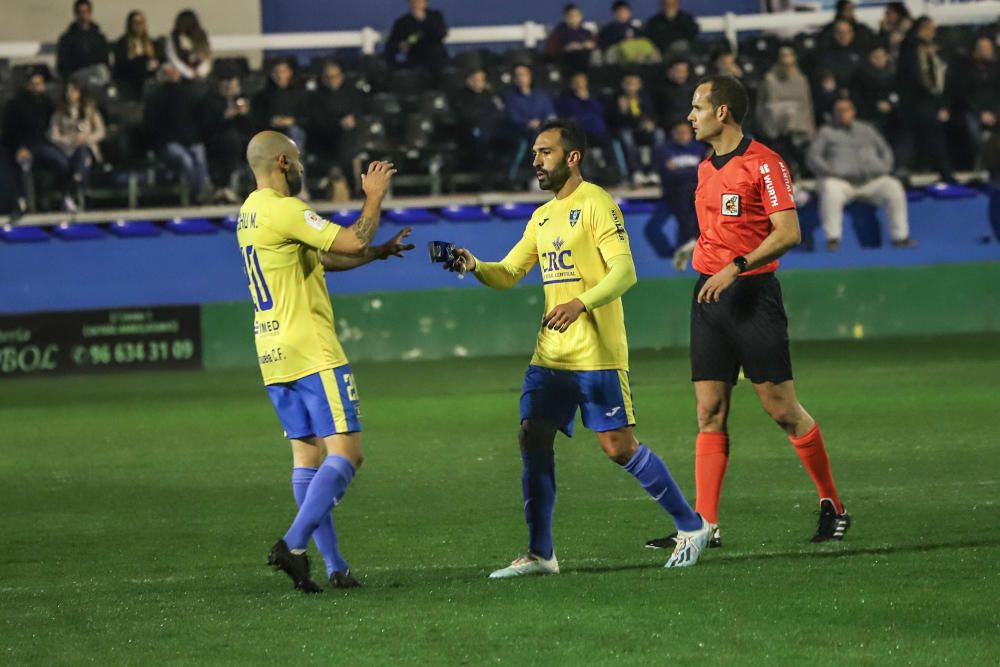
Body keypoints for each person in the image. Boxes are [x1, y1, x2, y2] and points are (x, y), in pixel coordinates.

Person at [448, 119, 714, 577]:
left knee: (618, 447)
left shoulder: (597, 203)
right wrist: (475, 265)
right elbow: (509, 273)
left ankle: (691, 527)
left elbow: (625, 272)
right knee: (532, 434)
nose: (535, 161)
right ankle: (540, 553)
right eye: (534, 153)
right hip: (551, 355)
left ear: (572, 157)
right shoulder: (543, 216)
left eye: (545, 152)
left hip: (597, 354)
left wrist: (580, 302)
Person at [645, 75, 851, 552]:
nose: (689, 115)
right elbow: (719, 232)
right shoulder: (703, 170)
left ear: (723, 113)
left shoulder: (766, 164)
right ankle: (704, 527)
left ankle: (833, 506)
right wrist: (699, 255)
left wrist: (735, 268)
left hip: (753, 297)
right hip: (709, 297)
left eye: (697, 107)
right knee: (708, 411)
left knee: (782, 410)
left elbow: (788, 232)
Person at [239, 132, 411, 593]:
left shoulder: (250, 212)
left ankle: (335, 567)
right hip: (311, 348)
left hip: (272, 352)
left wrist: (377, 252)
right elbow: (353, 239)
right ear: (282, 162)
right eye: (296, 161)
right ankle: (293, 545)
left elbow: (324, 259)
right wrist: (373, 198)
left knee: (308, 456)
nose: (300, 168)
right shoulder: (286, 208)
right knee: (348, 453)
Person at [807, 98, 914, 250]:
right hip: (842, 182)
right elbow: (813, 157)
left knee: (893, 187)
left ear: (853, 112)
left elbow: (885, 150)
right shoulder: (826, 132)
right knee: (830, 189)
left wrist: (884, 167)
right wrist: (830, 171)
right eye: (840, 111)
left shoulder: (867, 129)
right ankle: (833, 239)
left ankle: (900, 237)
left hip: (871, 181)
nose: (844, 114)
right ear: (834, 114)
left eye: (847, 110)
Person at [1, 70, 75, 212]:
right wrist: (19, 147)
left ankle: (66, 196)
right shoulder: (14, 105)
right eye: (33, 84)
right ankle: (21, 200)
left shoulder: (47, 103)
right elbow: (10, 132)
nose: (36, 87)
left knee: (63, 163)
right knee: (23, 166)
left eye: (39, 84)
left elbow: (54, 127)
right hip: (23, 148)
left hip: (43, 146)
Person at [897, 16, 953, 182]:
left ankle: (942, 170)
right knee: (911, 138)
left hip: (927, 102)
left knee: (930, 137)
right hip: (915, 101)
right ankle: (904, 170)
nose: (933, 33)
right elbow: (914, 76)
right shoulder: (911, 48)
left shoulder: (931, 49)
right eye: (931, 29)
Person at [143, 64, 210, 202]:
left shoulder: (187, 95)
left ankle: (204, 190)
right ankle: (195, 195)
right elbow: (152, 127)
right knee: (185, 160)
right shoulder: (155, 97)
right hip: (166, 143)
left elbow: (193, 123)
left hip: (187, 140)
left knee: (199, 153)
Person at [647, 118, 706, 266]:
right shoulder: (663, 150)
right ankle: (672, 254)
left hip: (694, 195)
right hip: (672, 195)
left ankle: (687, 252)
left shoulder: (699, 148)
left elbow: (703, 172)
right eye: (680, 132)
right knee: (652, 229)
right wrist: (692, 171)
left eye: (686, 132)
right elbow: (670, 174)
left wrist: (681, 170)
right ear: (673, 133)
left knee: (689, 222)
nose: (683, 135)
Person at [307, 61, 366, 194]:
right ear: (322, 79)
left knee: (348, 141)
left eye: (335, 76)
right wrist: (339, 123)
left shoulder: (353, 94)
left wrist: (352, 120)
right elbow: (317, 120)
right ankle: (351, 184)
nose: (332, 80)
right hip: (324, 137)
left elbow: (360, 113)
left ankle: (349, 181)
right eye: (328, 77)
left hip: (349, 137)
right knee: (344, 145)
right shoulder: (315, 97)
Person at [756, 47, 815, 175]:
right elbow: (763, 105)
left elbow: (806, 105)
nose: (788, 68)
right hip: (775, 124)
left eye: (791, 65)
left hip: (799, 124)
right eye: (784, 65)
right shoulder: (769, 80)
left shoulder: (801, 80)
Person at [555, 71, 622, 184]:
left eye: (581, 81)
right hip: (579, 133)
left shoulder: (596, 98)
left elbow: (602, 115)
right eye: (576, 82)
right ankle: (586, 178)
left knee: (611, 142)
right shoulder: (566, 100)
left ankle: (614, 176)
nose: (579, 84)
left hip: (599, 132)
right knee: (579, 145)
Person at [47, 81, 106, 201]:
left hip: (87, 147)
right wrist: (69, 140)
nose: (70, 94)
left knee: (83, 152)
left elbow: (101, 132)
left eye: (73, 91)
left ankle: (77, 179)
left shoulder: (90, 110)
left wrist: (86, 138)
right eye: (68, 91)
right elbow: (54, 136)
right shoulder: (58, 114)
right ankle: (80, 182)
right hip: (68, 151)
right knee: (79, 156)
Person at [203, 76, 253, 201]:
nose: (231, 89)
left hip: (242, 140)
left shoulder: (243, 99)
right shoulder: (211, 101)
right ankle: (226, 186)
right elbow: (208, 125)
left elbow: (252, 125)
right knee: (230, 141)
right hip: (217, 139)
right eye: (227, 87)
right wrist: (225, 116)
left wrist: (245, 114)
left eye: (234, 87)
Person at [611, 72, 661, 186]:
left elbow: (652, 114)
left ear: (639, 85)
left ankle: (654, 172)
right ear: (623, 85)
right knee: (627, 137)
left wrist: (650, 122)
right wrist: (622, 111)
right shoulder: (617, 99)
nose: (631, 87)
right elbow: (614, 120)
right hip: (627, 128)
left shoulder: (645, 98)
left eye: (634, 84)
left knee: (659, 134)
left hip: (643, 129)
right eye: (628, 84)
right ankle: (636, 172)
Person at [958, 37, 999, 170]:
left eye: (988, 48)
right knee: (974, 131)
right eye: (982, 48)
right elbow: (966, 95)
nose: (985, 51)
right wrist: (980, 113)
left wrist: (995, 113)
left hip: (995, 110)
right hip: (975, 111)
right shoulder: (967, 69)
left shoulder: (997, 68)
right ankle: (983, 162)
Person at [253, 58, 308, 151]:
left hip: (293, 130)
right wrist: (272, 121)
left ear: (290, 72)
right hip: (270, 131)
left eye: (283, 71)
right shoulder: (262, 96)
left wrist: (292, 121)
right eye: (276, 72)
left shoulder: (300, 94)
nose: (279, 75)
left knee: (294, 132)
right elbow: (257, 117)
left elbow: (308, 116)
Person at [384, 0, 448, 77]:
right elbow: (391, 46)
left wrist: (422, 19)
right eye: (414, 2)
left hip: (437, 62)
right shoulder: (402, 23)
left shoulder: (435, 17)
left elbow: (441, 34)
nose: (417, 4)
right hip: (415, 64)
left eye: (420, 1)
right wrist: (400, 46)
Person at [56, 0, 110, 84]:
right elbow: (62, 64)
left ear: (90, 13)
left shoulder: (99, 37)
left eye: (85, 12)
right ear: (75, 14)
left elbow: (105, 60)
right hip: (76, 75)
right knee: (99, 71)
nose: (83, 16)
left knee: (100, 71)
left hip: (95, 74)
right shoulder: (67, 38)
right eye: (80, 12)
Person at [112, 10, 160, 101]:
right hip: (131, 78)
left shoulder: (152, 43)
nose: (139, 26)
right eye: (136, 23)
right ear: (130, 25)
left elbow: (158, 60)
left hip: (150, 77)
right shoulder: (122, 43)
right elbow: (121, 65)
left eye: (141, 23)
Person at [545, 4, 597, 74]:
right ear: (566, 17)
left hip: (587, 65)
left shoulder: (587, 33)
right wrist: (566, 48)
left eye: (577, 15)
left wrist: (591, 45)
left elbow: (596, 46)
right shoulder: (558, 33)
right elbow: (550, 52)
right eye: (571, 16)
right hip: (566, 65)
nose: (575, 18)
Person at [166, 9, 212, 80]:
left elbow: (206, 57)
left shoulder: (201, 35)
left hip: (199, 75)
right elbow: (173, 57)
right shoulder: (174, 37)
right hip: (183, 74)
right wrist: (188, 72)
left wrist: (198, 70)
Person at [651, 57, 695, 128]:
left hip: (691, 126)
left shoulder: (693, 88)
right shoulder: (659, 89)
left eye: (684, 72)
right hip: (668, 127)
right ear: (669, 72)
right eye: (678, 71)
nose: (682, 75)